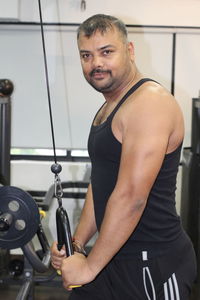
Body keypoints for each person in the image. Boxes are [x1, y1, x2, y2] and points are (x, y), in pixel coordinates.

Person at [51, 14, 197, 299]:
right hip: (112, 255)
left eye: (107, 52)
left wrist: (89, 267)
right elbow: (102, 180)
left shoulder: (149, 103)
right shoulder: (111, 105)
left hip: (152, 262)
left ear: (129, 51)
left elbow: (131, 196)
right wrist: (77, 245)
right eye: (86, 55)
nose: (96, 64)